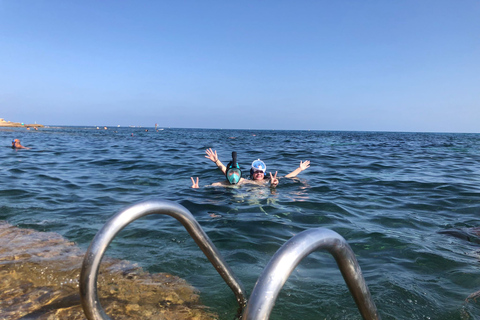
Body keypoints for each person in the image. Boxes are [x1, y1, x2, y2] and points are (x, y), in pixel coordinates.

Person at [191, 148, 310, 188]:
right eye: (256, 172)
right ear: (252, 173)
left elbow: (287, 177)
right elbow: (231, 174)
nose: (258, 174)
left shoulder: (268, 180)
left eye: (260, 172)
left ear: (264, 173)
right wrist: (217, 161)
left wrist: (299, 169)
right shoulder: (245, 181)